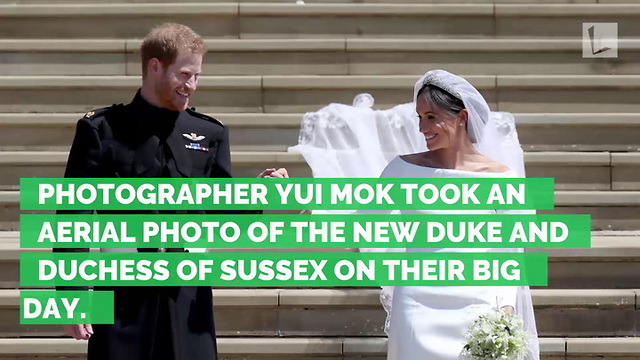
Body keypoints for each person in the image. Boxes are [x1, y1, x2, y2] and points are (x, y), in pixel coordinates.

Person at [55, 22, 287, 360]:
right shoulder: (101, 130)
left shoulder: (210, 133)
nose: (191, 85)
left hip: (188, 297)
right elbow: (73, 217)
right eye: (184, 74)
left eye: (197, 76)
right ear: (155, 67)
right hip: (123, 293)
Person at [289, 69, 539, 359]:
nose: (423, 127)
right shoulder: (403, 169)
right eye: (420, 117)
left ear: (463, 117)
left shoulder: (502, 178)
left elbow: (511, 251)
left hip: (479, 307)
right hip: (416, 308)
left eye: (432, 117)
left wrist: (505, 311)